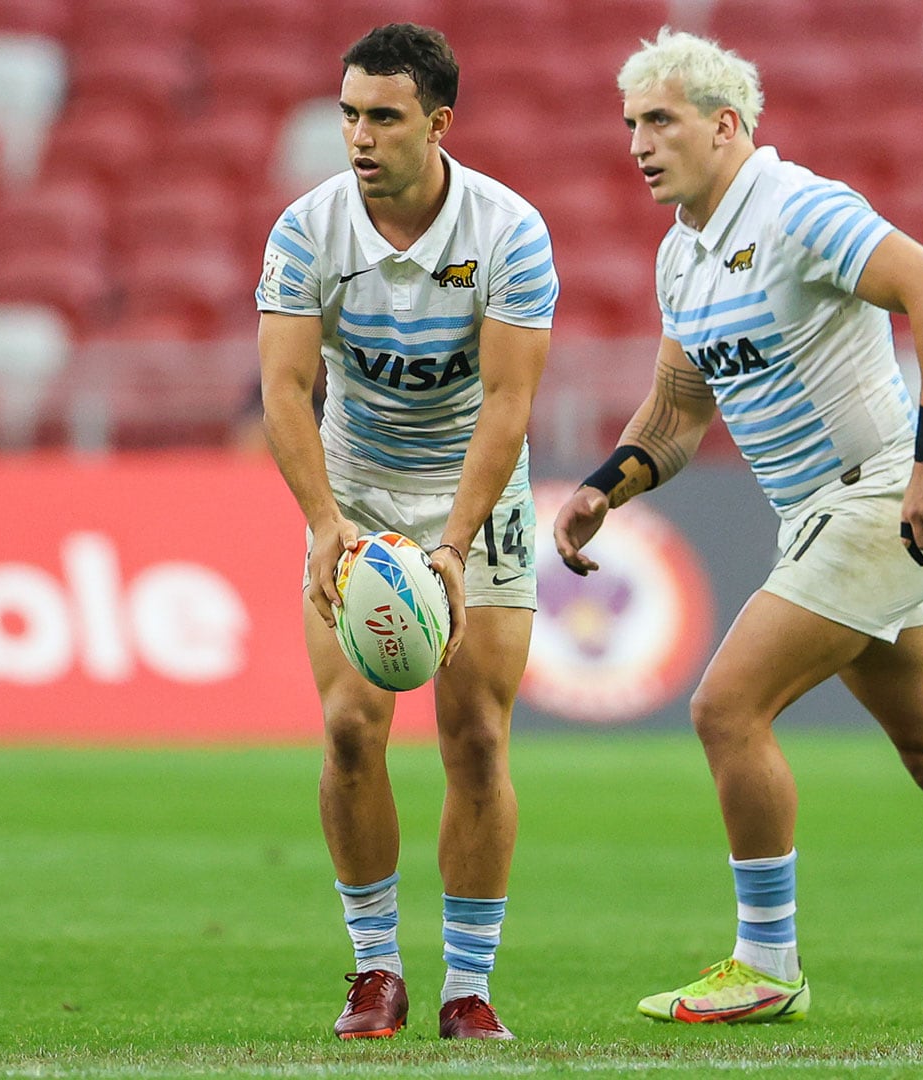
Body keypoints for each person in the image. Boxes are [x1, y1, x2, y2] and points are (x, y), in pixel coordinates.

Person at [551, 30, 923, 1026]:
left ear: (726, 124)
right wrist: (605, 485)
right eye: (630, 125)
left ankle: (766, 962)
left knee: (724, 708)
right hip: (822, 517)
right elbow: (677, 413)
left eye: (661, 120)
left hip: (873, 501)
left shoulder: (798, 208)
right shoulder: (682, 254)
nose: (639, 143)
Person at [256, 22, 555, 1041]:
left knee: (474, 737)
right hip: (357, 489)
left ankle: (468, 986)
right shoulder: (306, 230)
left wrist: (460, 545)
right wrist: (326, 523)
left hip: (480, 492)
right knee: (348, 729)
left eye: (382, 117)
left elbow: (510, 404)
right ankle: (374, 971)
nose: (358, 136)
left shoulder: (508, 231)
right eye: (348, 114)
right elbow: (286, 391)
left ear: (438, 123)